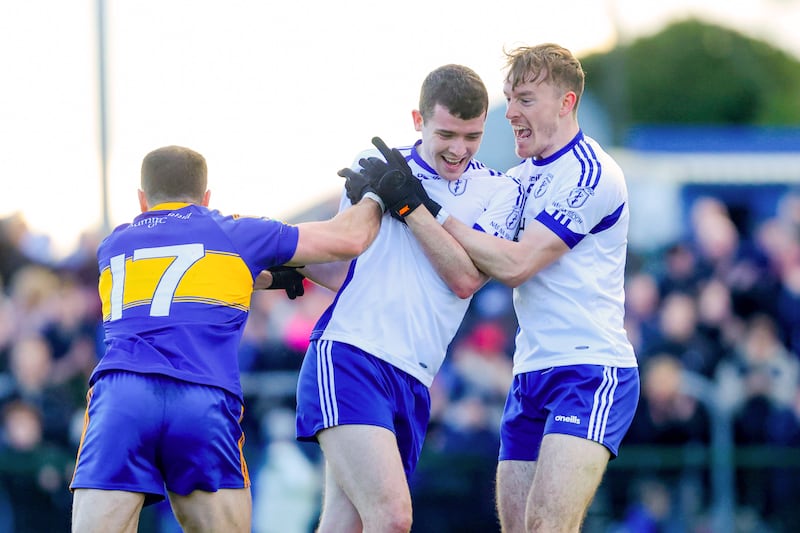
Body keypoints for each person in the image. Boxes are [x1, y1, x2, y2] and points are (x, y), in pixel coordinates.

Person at [366, 44, 640, 532]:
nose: (510, 112)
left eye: (526, 99)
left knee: (546, 526)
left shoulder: (593, 174)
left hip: (589, 370)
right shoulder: (514, 181)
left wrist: (423, 208)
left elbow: (515, 264)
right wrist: (387, 211)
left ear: (567, 102)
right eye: (510, 98)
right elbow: (466, 266)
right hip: (528, 372)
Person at [69, 145, 385, 533]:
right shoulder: (233, 231)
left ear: (141, 199)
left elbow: (168, 282)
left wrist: (258, 276)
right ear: (206, 197)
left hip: (122, 395)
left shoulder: (113, 245)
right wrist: (378, 194)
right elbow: (348, 239)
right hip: (202, 396)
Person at [294, 64, 524, 532]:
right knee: (392, 519)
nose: (459, 149)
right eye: (447, 134)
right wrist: (282, 265)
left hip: (415, 375)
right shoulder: (375, 163)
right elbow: (348, 267)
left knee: (346, 524)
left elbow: (464, 279)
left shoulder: (501, 190)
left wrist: (410, 206)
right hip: (351, 354)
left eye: (472, 136)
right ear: (418, 120)